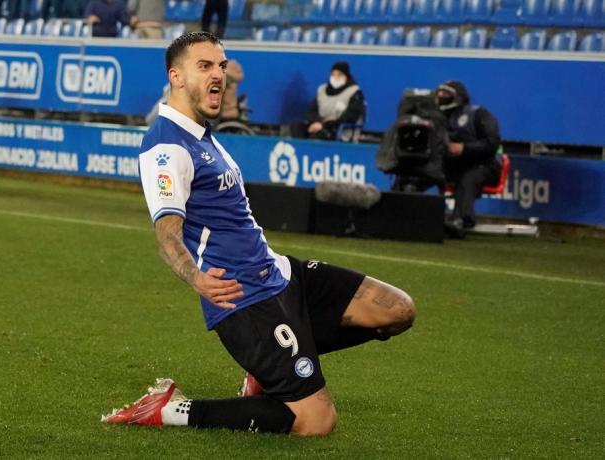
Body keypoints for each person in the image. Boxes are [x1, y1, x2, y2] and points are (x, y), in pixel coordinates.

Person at [102, 32, 416, 436]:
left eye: (221, 65)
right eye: (205, 66)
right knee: (316, 421)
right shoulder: (167, 147)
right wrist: (196, 277)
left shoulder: (202, 136)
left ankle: (266, 373)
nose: (220, 75)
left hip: (280, 275)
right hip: (245, 299)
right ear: (176, 77)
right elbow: (166, 234)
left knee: (397, 310)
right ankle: (167, 410)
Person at [437, 81, 502, 230]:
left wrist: (464, 148)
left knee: (468, 178)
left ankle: (462, 219)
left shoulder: (479, 114)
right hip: (450, 164)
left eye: (445, 93)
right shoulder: (436, 117)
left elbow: (492, 143)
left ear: (458, 97)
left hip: (483, 165)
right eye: (438, 92)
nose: (440, 96)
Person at [289, 61, 366, 141]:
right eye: (333, 74)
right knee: (296, 126)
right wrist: (317, 121)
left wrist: (325, 125)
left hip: (337, 129)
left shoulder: (354, 92)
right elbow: (311, 110)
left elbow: (352, 116)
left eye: (339, 75)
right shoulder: (322, 90)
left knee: (318, 136)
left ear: (346, 76)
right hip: (319, 124)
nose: (335, 78)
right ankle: (301, 150)